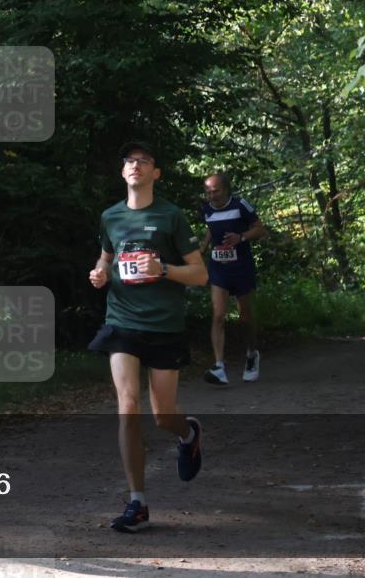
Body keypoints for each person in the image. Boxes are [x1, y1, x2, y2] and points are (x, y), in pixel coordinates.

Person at [87, 141, 208, 533]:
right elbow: (106, 257)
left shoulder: (171, 216)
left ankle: (188, 433)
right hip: (122, 320)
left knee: (162, 415)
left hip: (164, 325)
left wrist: (165, 270)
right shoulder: (110, 216)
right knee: (127, 405)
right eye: (129, 161)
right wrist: (100, 274)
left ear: (156, 172)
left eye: (143, 161)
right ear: (122, 171)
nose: (135, 165)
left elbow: (200, 274)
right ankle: (137, 502)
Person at [199, 172, 267, 386]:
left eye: (216, 191)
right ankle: (219, 367)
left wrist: (241, 237)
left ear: (226, 189)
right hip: (219, 268)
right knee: (218, 315)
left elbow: (260, 229)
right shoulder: (206, 209)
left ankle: (251, 354)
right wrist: (202, 248)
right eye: (208, 192)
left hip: (241, 267)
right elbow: (211, 228)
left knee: (244, 317)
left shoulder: (240, 205)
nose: (212, 195)